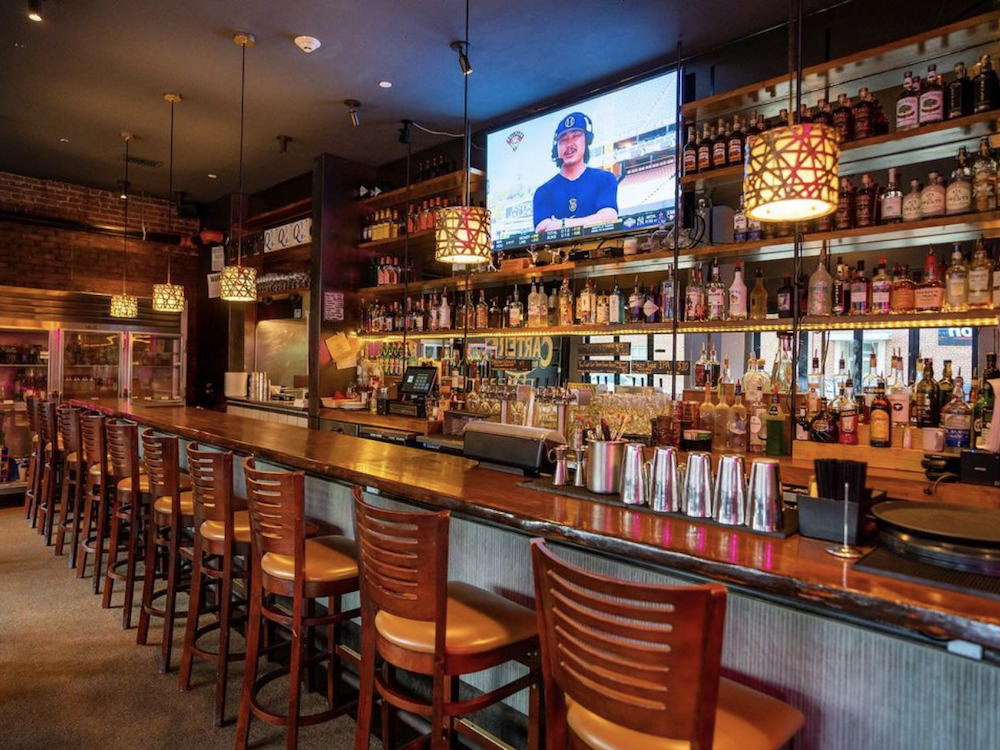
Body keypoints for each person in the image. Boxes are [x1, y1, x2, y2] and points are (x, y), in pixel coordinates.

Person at [533, 112, 619, 233]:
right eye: (563, 140)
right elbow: (542, 228)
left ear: (586, 140)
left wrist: (562, 223)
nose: (569, 144)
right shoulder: (543, 191)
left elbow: (609, 217)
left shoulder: (605, 178)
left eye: (576, 136)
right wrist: (593, 219)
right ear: (556, 148)